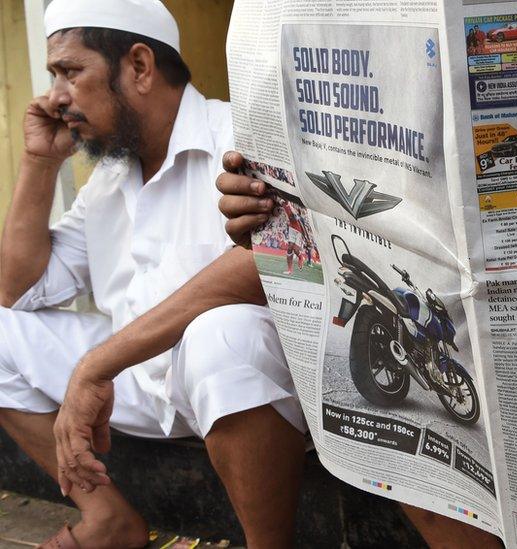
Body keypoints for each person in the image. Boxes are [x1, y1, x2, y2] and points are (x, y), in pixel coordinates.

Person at [0, 2, 311, 547]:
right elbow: (14, 291)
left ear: (139, 67)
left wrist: (97, 365)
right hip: (141, 389)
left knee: (221, 335)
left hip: (249, 390)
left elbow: (270, 262)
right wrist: (39, 164)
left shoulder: (237, 135)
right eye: (54, 76)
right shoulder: (109, 178)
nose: (56, 97)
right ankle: (107, 518)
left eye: (71, 72)